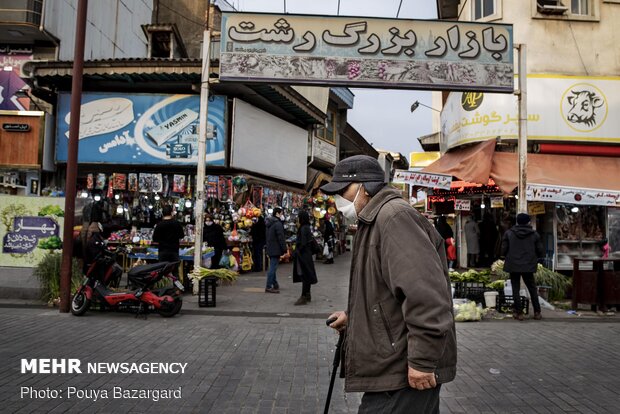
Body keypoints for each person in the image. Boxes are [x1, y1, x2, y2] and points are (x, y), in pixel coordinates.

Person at [321, 155, 457, 414]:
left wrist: (423, 361)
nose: (339, 199)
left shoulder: (394, 218)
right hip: (393, 366)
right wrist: (355, 317)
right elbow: (388, 293)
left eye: (343, 190)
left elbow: (426, 297)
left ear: (365, 186)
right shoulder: (375, 220)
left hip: (403, 369)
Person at [500, 213, 544, 321]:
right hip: (528, 265)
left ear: (517, 222)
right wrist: (534, 258)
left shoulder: (509, 233)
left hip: (513, 264)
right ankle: (537, 312)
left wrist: (506, 256)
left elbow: (503, 249)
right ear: (528, 222)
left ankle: (519, 313)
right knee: (532, 288)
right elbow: (540, 251)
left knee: (515, 288)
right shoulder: (534, 234)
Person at [292, 210, 318, 305]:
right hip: (307, 255)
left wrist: (296, 251)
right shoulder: (307, 227)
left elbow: (303, 243)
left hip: (303, 255)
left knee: (304, 275)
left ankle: (304, 296)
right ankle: (307, 294)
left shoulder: (303, 228)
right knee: (307, 274)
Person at [152, 205, 184, 277]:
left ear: (162, 213)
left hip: (163, 251)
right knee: (175, 272)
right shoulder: (176, 223)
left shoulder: (159, 225)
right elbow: (182, 235)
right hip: (174, 251)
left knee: (162, 271)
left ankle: (164, 287)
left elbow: (155, 239)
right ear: (171, 212)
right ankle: (176, 287)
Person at [265, 207, 286, 293]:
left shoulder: (269, 223)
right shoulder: (277, 224)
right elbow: (281, 237)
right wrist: (284, 248)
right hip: (275, 248)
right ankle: (269, 286)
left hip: (270, 247)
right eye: (281, 213)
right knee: (272, 268)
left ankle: (275, 284)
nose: (282, 215)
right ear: (277, 213)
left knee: (273, 266)